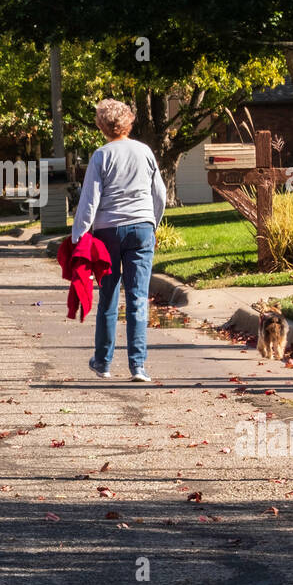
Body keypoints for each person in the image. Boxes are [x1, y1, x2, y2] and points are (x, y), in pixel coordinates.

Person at [70, 99, 166, 382]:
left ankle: (103, 362)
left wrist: (79, 237)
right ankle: (138, 366)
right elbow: (159, 193)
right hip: (141, 229)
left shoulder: (102, 155)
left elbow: (90, 200)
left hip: (108, 232)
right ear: (130, 122)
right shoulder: (144, 151)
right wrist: (152, 223)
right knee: (137, 298)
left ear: (101, 125)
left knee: (108, 297)